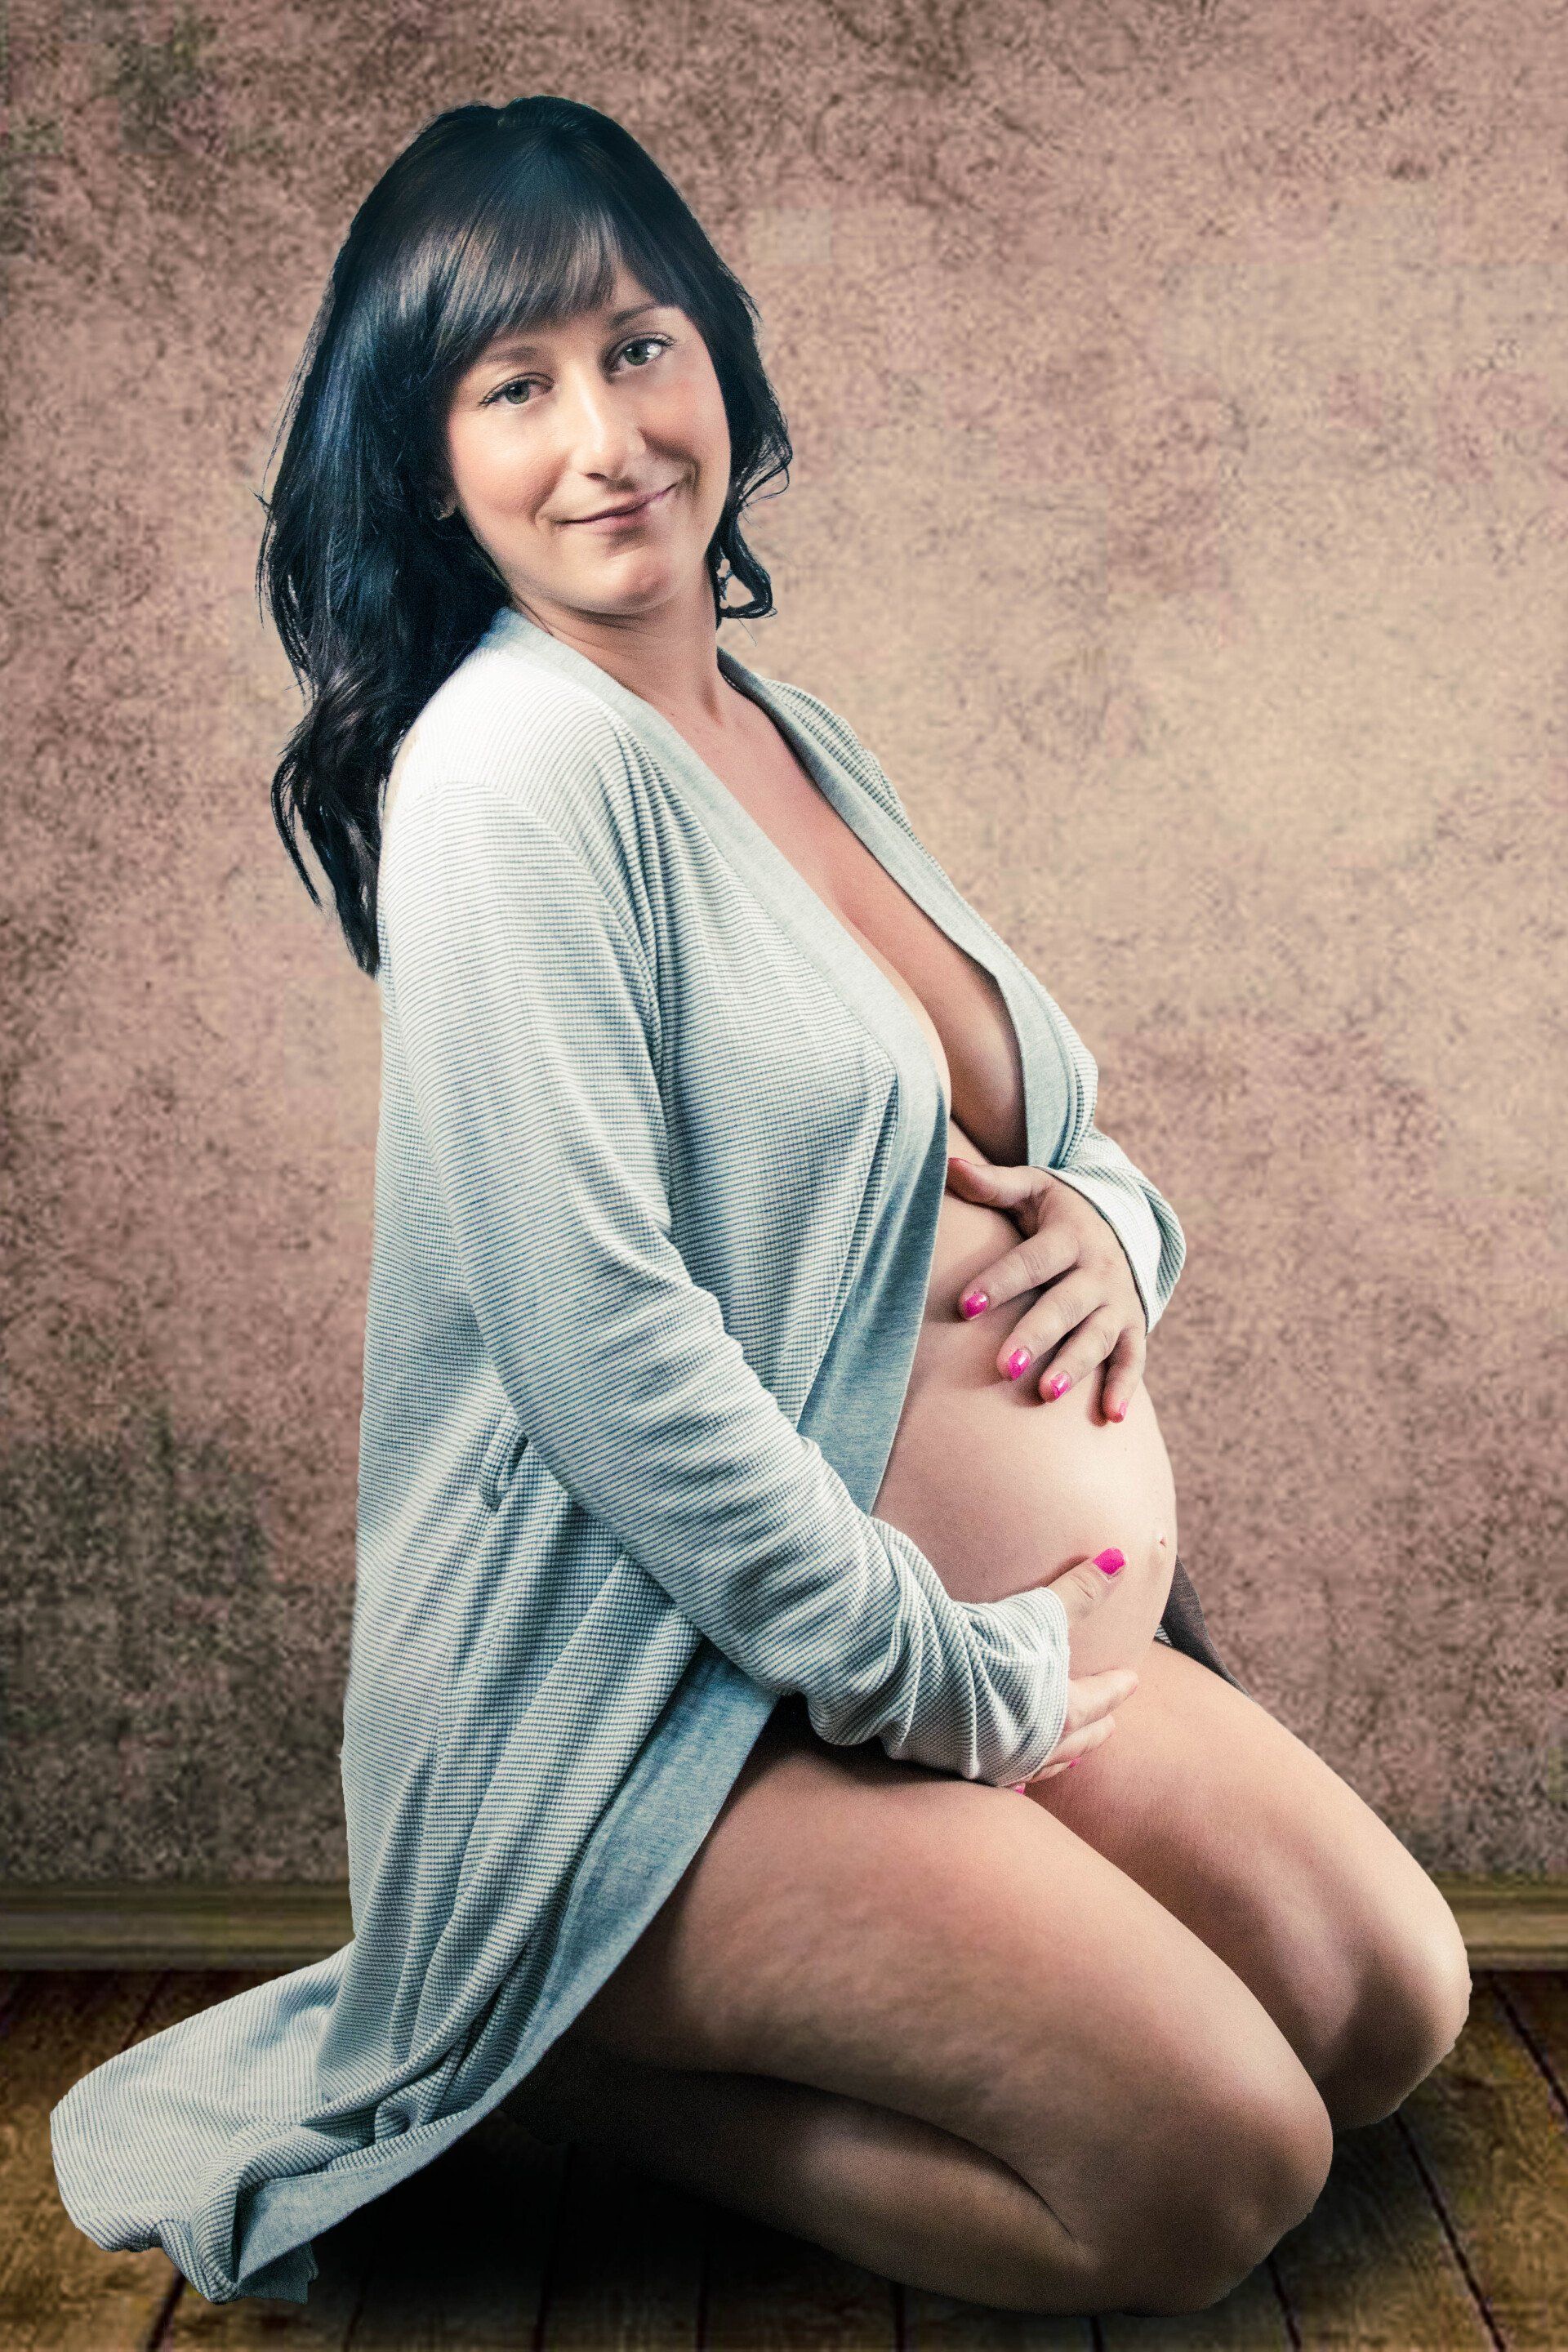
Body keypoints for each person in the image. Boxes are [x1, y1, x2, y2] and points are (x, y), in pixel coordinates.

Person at [50, 95, 1472, 2318]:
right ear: (431, 464)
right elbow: (605, 1355)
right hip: (665, 1726)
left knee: (1389, 2014)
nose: (604, 437)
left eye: (638, 348)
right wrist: (936, 1682)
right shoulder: (511, 776)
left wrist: (1119, 1234)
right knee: (1206, 2177)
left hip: (950, 1674)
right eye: (514, 386)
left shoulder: (786, 733)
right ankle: (536, 2056)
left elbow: (1021, 1131)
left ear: (719, 355)